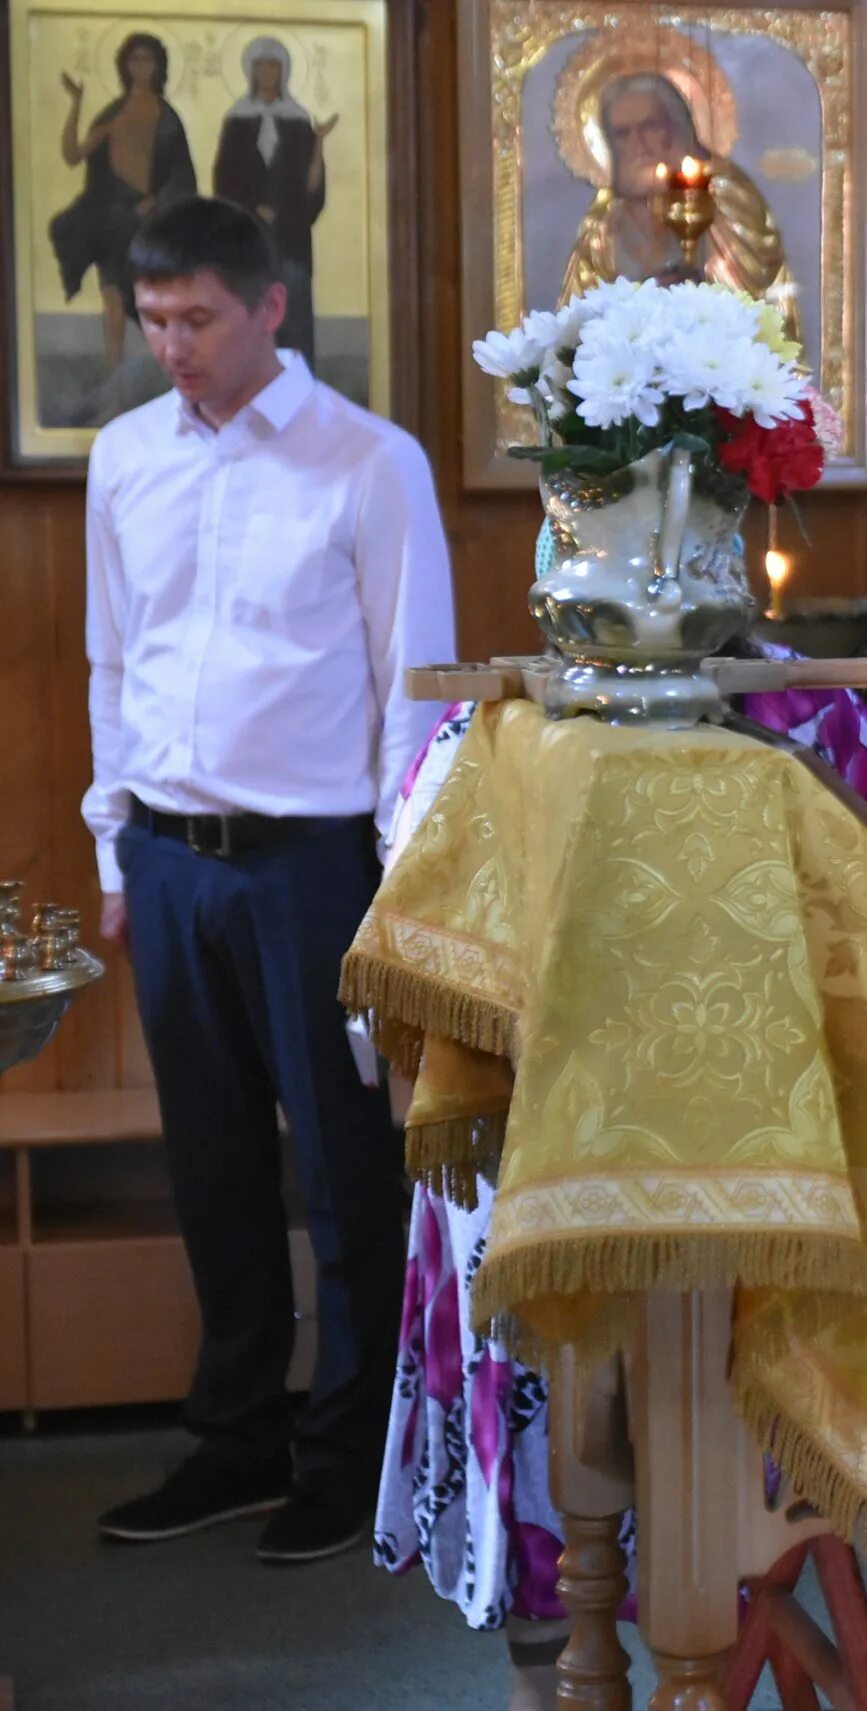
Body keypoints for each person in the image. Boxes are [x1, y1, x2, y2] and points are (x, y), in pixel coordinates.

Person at [375, 611, 867, 1711]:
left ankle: (686, 1641)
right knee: (562, 1473)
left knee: (708, 1491)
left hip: (744, 1173)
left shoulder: (812, 720)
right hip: (564, 1165)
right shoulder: (490, 724)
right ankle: (553, 1676)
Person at [85, 198, 454, 1564]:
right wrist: (112, 836)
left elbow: (412, 686)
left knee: (348, 1170)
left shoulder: (370, 462)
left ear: (269, 309)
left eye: (198, 319)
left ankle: (350, 1453)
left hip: (315, 864)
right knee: (213, 1164)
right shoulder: (123, 459)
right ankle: (234, 1436)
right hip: (173, 860)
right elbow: (110, 660)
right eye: (153, 320)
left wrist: (403, 881)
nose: (173, 345)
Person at [561, 72, 795, 338]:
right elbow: (579, 322)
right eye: (623, 134)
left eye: (650, 127)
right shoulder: (604, 220)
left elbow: (755, 302)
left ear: (676, 127)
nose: (638, 145)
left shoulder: (725, 194)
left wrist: (695, 290)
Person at [50, 33, 195, 394]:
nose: (141, 67)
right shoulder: (113, 113)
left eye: (148, 60)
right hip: (112, 218)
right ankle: (113, 377)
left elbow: (182, 174)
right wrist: (76, 102)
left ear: (158, 66)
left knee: (152, 297)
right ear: (124, 66)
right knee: (113, 294)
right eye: (135, 60)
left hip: (148, 219)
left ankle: (168, 375)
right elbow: (73, 154)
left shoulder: (167, 117)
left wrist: (158, 201)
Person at [212, 37, 334, 361]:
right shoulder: (236, 120)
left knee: (293, 310)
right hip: (247, 236)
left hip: (291, 234)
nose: (267, 73)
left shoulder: (298, 121)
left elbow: (311, 186)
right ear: (251, 72)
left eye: (274, 67)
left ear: (284, 72)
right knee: (248, 311)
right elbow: (224, 179)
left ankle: (297, 385)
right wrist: (252, 209)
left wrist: (319, 144)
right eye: (261, 66)